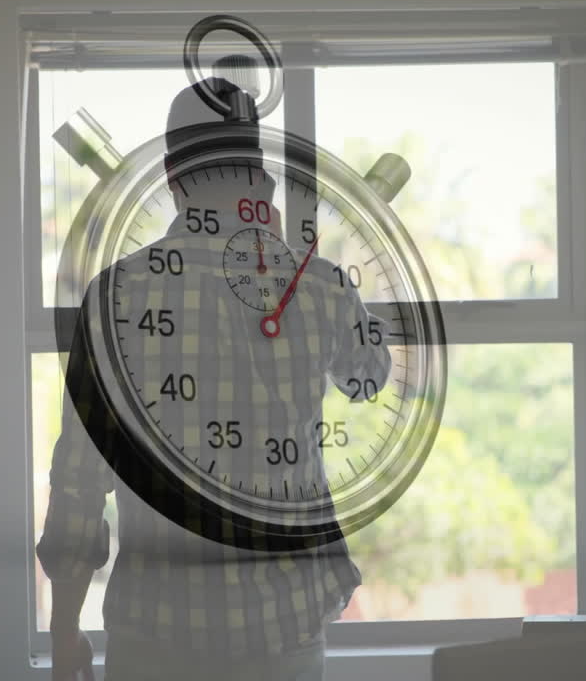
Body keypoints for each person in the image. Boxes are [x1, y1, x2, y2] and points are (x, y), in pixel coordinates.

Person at [37, 74, 390, 681]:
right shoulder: (322, 287)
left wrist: (65, 634)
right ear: (260, 179)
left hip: (155, 633)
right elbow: (372, 374)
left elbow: (78, 487)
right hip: (289, 627)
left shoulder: (115, 298)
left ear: (174, 179)